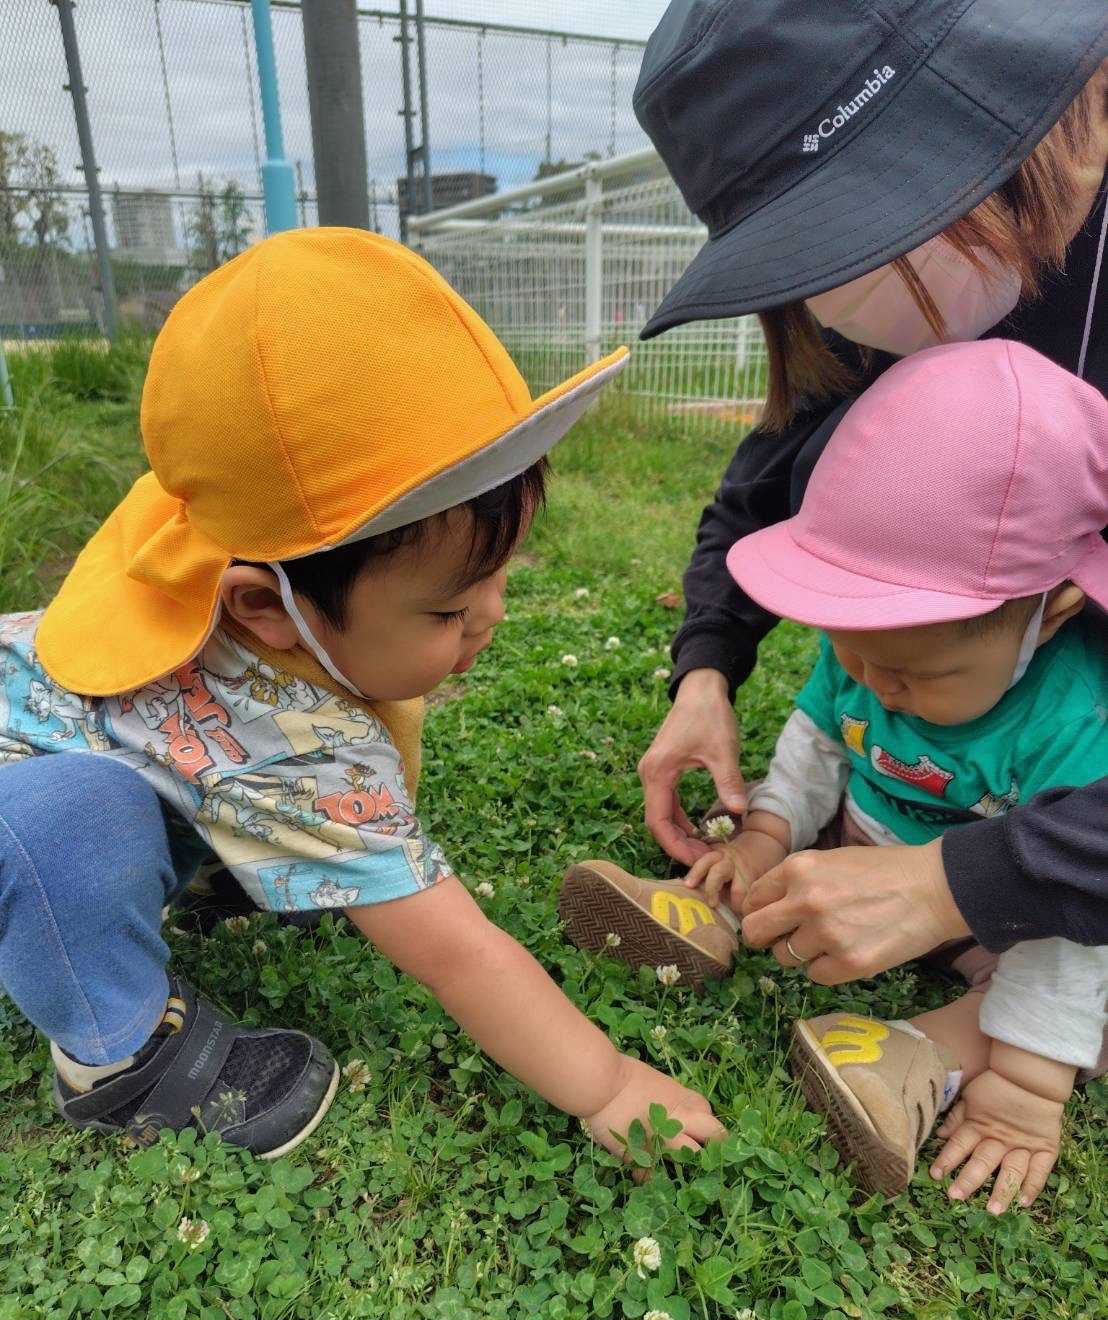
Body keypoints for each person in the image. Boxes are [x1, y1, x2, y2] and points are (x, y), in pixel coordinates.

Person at [0, 228, 723, 1162]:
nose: (491, 620)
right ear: (263, 606)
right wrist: (612, 1081)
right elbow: (457, 950)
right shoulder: (284, 734)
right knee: (65, 818)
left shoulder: (220, 534)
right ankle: (118, 1052)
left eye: (501, 579)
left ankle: (209, 865)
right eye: (450, 610)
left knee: (115, 786)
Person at [560, 340, 1107, 1212]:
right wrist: (768, 831)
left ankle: (904, 1052)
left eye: (921, 678)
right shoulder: (872, 653)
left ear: (1054, 609)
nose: (879, 689)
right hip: (859, 844)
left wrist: (1032, 1089)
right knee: (784, 852)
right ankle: (709, 913)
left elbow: (1078, 908)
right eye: (855, 654)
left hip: (1004, 915)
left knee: (1074, 986)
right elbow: (820, 737)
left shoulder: (1078, 717)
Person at [631, 0, 1108, 981]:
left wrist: (958, 882)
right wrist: (707, 667)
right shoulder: (893, 290)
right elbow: (763, 483)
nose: (853, 292)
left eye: (874, 215)